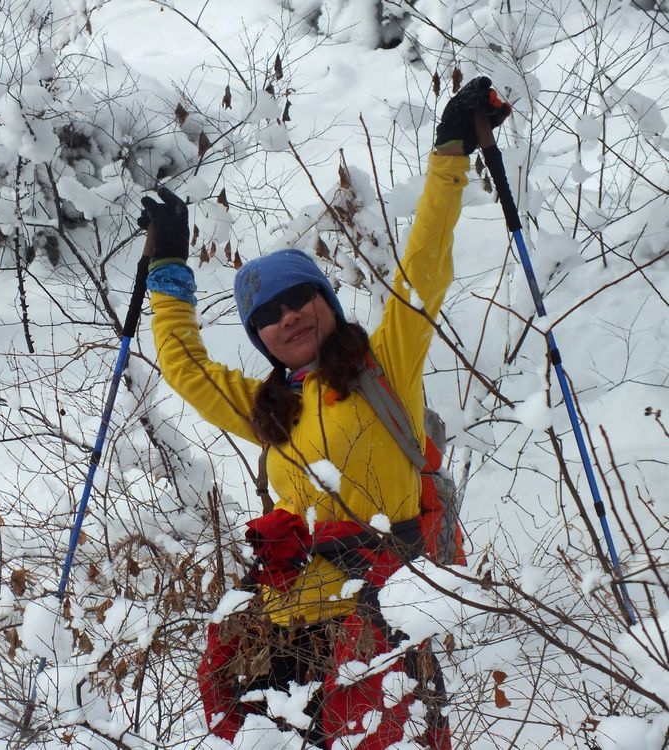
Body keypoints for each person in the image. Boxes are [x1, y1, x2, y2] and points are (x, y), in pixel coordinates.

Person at [140, 78, 511, 749]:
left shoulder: (384, 365)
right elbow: (184, 368)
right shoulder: (269, 409)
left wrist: (450, 155)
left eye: (298, 301)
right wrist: (169, 266)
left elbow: (423, 266)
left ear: (326, 302)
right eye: (269, 318)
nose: (288, 318)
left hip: (382, 612)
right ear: (261, 338)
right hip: (291, 625)